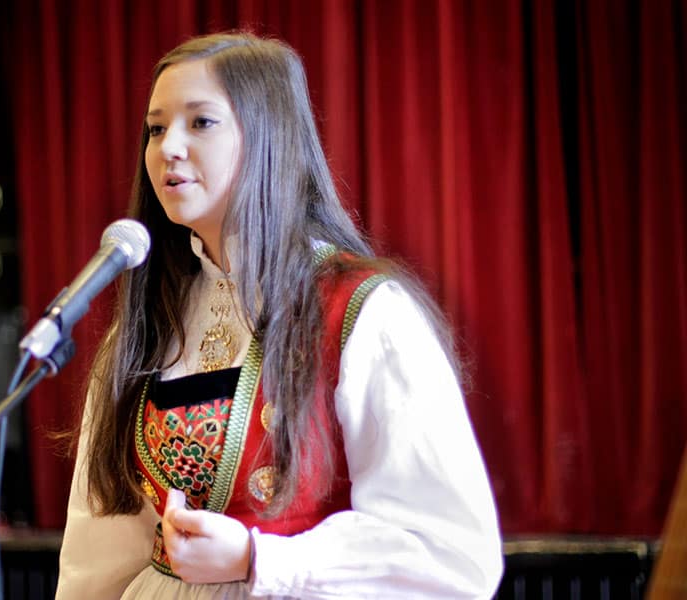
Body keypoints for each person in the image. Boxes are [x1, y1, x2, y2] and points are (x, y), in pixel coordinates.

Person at [55, 31, 503, 599]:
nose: (168, 147)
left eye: (200, 122)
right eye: (156, 128)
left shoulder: (363, 311)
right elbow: (100, 554)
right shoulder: (150, 321)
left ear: (269, 137)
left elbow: (453, 554)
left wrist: (259, 558)